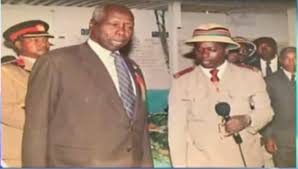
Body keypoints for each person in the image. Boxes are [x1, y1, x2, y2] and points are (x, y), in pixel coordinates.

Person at [22, 4, 152, 167]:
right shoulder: (56, 62)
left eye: (129, 26)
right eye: (114, 24)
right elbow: (36, 128)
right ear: (92, 24)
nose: (122, 31)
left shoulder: (133, 68)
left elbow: (139, 127)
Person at [168, 23, 273, 167]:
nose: (204, 54)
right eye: (199, 50)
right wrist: (179, 165)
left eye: (211, 49)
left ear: (226, 50)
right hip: (201, 161)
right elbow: (176, 131)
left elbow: (266, 112)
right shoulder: (182, 82)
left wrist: (247, 120)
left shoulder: (250, 76)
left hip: (244, 159)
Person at [1, 20, 53, 167]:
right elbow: (4, 109)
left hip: (53, 151)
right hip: (19, 151)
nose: (42, 43)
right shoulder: (6, 72)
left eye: (45, 39)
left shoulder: (57, 70)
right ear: (18, 44)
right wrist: (46, 126)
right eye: (34, 40)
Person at [262, 47, 296, 167]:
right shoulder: (269, 81)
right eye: (288, 58)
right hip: (283, 141)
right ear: (281, 60)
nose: (292, 62)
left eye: (295, 58)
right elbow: (264, 111)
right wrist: (268, 137)